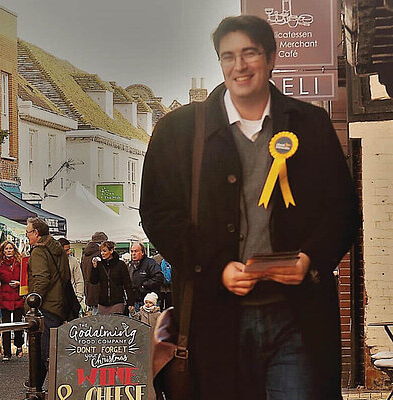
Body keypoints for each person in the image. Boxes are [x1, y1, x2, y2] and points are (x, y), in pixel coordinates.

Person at [140, 15, 359, 400]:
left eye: (249, 53)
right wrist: (216, 267)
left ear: (271, 58)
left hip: (297, 317)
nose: (239, 66)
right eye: (228, 56)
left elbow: (341, 210)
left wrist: (310, 258)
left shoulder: (311, 125)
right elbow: (158, 213)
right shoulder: (178, 132)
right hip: (215, 317)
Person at [25, 217, 71, 388]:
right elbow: (66, 276)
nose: (27, 236)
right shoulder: (57, 248)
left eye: (28, 233)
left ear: (36, 233)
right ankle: (41, 385)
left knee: (42, 351)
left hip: (45, 306)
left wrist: (31, 303)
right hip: (59, 304)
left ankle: (39, 388)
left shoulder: (39, 251)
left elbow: (41, 279)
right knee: (52, 349)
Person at [0, 241, 24, 361]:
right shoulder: (0, 265)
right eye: (6, 249)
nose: (8, 251)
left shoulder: (20, 264)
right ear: (3, 251)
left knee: (18, 325)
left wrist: (19, 284)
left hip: (18, 298)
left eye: (10, 248)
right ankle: (7, 353)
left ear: (14, 250)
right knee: (6, 327)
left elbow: (25, 279)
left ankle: (19, 345)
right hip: (4, 299)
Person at [90, 241, 133, 315]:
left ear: (111, 251)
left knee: (117, 323)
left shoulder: (120, 264)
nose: (102, 253)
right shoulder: (99, 264)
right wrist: (94, 268)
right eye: (101, 251)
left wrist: (130, 302)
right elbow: (93, 281)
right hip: (102, 302)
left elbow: (127, 284)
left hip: (117, 302)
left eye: (104, 251)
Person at [128, 242, 164, 312]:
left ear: (142, 252)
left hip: (149, 302)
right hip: (135, 302)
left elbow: (159, 278)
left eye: (136, 251)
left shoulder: (151, 263)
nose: (133, 254)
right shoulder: (130, 265)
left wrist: (144, 285)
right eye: (132, 251)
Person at [80, 231, 107, 316]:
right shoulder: (100, 254)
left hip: (89, 290)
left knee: (95, 316)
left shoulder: (84, 256)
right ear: (102, 242)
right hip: (99, 290)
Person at [58, 238, 85, 305]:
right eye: (66, 250)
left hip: (71, 299)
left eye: (69, 249)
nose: (69, 252)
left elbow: (79, 280)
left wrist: (78, 298)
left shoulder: (73, 261)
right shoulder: (52, 261)